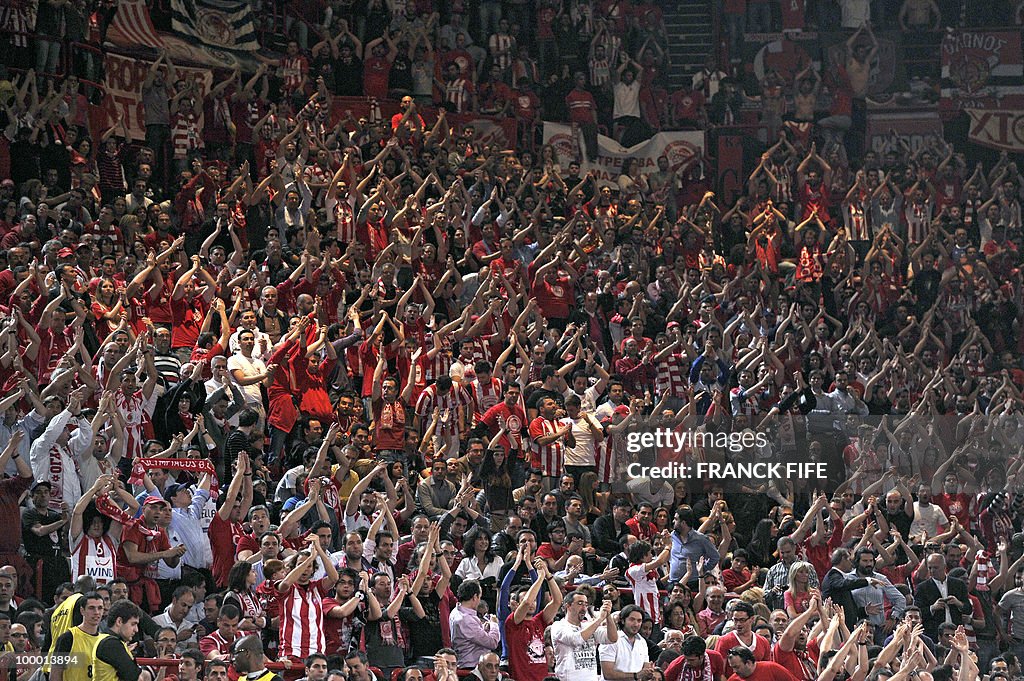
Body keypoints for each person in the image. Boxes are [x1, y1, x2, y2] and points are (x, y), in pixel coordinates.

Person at [550, 591, 618, 681]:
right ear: (568, 606)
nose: (584, 608)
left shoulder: (588, 625)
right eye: (580, 603)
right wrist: (600, 618)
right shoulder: (558, 626)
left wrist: (608, 615)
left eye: (586, 604)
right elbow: (576, 640)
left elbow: (612, 638)